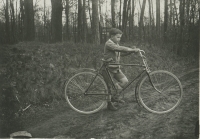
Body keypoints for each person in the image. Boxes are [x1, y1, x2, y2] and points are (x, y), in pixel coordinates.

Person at [101, 28, 141, 111]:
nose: (119, 39)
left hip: (116, 68)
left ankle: (114, 96)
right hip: (108, 68)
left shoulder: (116, 44)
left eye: (120, 37)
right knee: (109, 87)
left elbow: (121, 53)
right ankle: (109, 104)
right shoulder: (109, 43)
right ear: (112, 36)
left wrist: (131, 51)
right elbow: (119, 49)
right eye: (118, 37)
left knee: (125, 81)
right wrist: (132, 49)